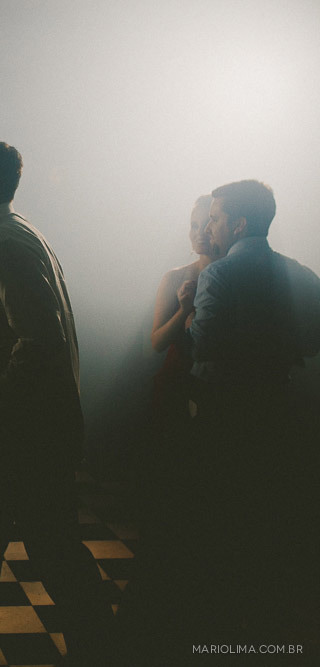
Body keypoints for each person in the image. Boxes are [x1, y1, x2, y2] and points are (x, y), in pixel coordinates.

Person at [0, 138, 113, 666]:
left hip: (18, 435)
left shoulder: (6, 244)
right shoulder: (15, 235)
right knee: (53, 549)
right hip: (33, 430)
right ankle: (100, 648)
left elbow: (39, 345)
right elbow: (31, 338)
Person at [183, 179, 320, 641]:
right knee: (266, 515)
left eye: (216, 218)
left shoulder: (218, 275)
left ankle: (215, 625)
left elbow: (203, 344)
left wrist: (187, 316)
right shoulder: (300, 273)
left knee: (218, 517)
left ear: (238, 224)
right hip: (276, 406)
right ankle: (266, 621)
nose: (210, 226)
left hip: (224, 412)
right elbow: (316, 340)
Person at [150, 195, 217, 429]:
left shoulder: (234, 278)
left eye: (207, 225)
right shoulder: (175, 277)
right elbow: (157, 342)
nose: (199, 233)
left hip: (219, 389)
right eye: (194, 225)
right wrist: (183, 311)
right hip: (175, 383)